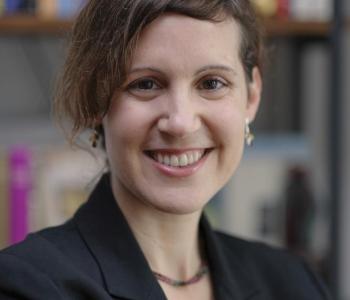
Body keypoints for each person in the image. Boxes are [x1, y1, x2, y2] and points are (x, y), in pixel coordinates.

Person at [0, 1, 330, 299]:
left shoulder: (294, 284)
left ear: (252, 96)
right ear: (95, 100)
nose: (181, 122)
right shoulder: (28, 286)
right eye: (146, 84)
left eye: (211, 83)